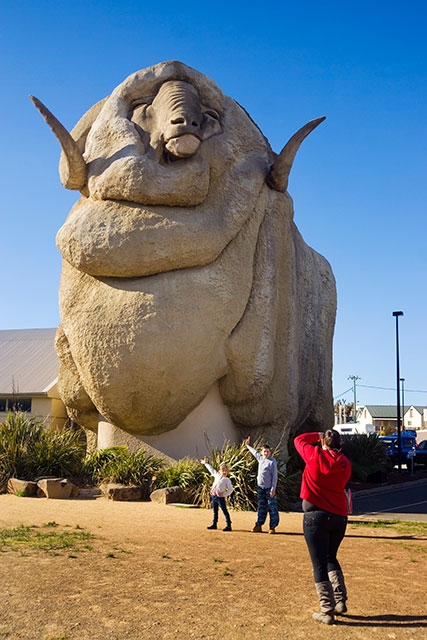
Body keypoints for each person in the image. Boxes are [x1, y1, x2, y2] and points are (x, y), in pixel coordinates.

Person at [294, 429, 352, 625]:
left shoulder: (314, 454)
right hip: (339, 517)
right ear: (341, 444)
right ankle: (340, 600)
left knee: (319, 563)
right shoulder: (345, 463)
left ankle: (327, 609)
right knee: (330, 557)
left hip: (316, 516)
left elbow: (298, 440)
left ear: (323, 444)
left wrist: (317, 435)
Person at [244, 436, 279, 533]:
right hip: (261, 488)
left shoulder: (272, 462)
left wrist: (273, 489)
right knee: (261, 506)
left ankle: (272, 527)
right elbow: (254, 452)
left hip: (269, 488)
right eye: (264, 451)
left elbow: (275, 477)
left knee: (272, 507)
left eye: (267, 451)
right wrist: (247, 446)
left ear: (270, 452)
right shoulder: (260, 458)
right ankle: (259, 525)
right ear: (262, 452)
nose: (266, 453)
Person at [200, 459, 234, 531]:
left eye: (225, 470)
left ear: (227, 471)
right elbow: (211, 469)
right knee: (215, 511)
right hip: (214, 496)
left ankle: (229, 525)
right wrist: (205, 463)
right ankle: (214, 524)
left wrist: (224, 494)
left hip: (220, 497)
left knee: (224, 510)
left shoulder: (227, 480)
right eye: (222, 470)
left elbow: (231, 489)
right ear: (219, 471)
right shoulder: (217, 475)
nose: (224, 472)